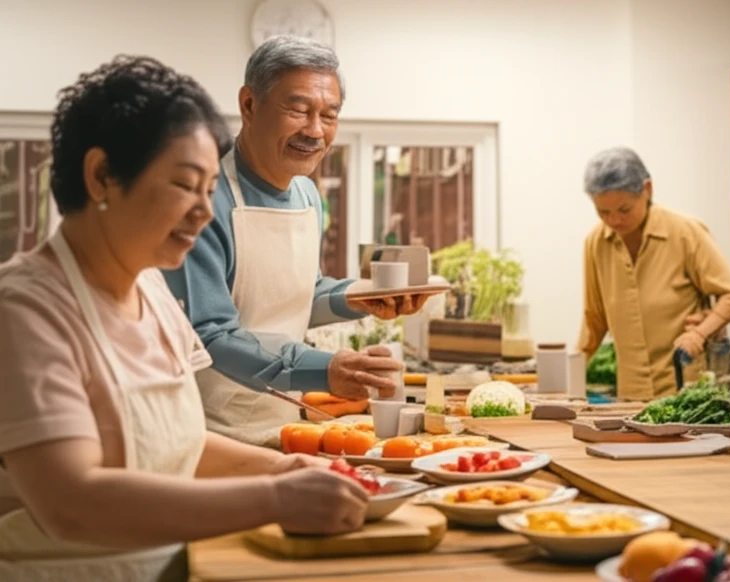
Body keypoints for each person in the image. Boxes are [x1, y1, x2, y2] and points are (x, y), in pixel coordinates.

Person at [0, 55, 369, 581]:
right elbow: (71, 502)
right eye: (184, 185)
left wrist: (284, 466)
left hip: (177, 563)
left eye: (207, 190)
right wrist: (271, 496)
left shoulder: (150, 290)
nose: (203, 212)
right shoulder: (26, 310)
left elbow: (179, 446)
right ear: (102, 176)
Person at [162, 36, 429, 445]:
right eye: (299, 110)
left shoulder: (305, 193)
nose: (315, 131)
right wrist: (326, 369)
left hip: (285, 421)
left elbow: (299, 292)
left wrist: (363, 296)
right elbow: (211, 333)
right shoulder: (205, 199)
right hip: (208, 431)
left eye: (330, 114)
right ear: (249, 105)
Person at [575, 147, 730, 400]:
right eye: (603, 212)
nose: (614, 220)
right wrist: (568, 380)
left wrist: (700, 332)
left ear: (647, 189)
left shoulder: (685, 232)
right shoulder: (595, 243)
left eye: (624, 210)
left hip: (688, 391)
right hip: (630, 396)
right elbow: (594, 320)